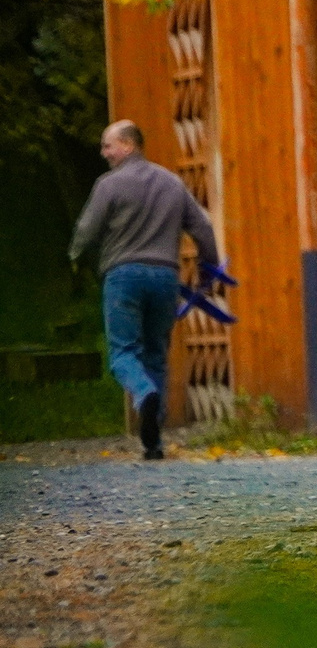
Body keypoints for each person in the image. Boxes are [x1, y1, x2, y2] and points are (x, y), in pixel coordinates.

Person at [68, 120, 222, 462]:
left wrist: (75, 257)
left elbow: (87, 229)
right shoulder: (172, 183)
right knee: (156, 353)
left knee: (123, 353)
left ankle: (143, 393)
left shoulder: (108, 185)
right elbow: (203, 228)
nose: (104, 153)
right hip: (166, 277)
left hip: (123, 276)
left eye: (108, 146)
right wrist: (207, 272)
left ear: (127, 145)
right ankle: (153, 441)